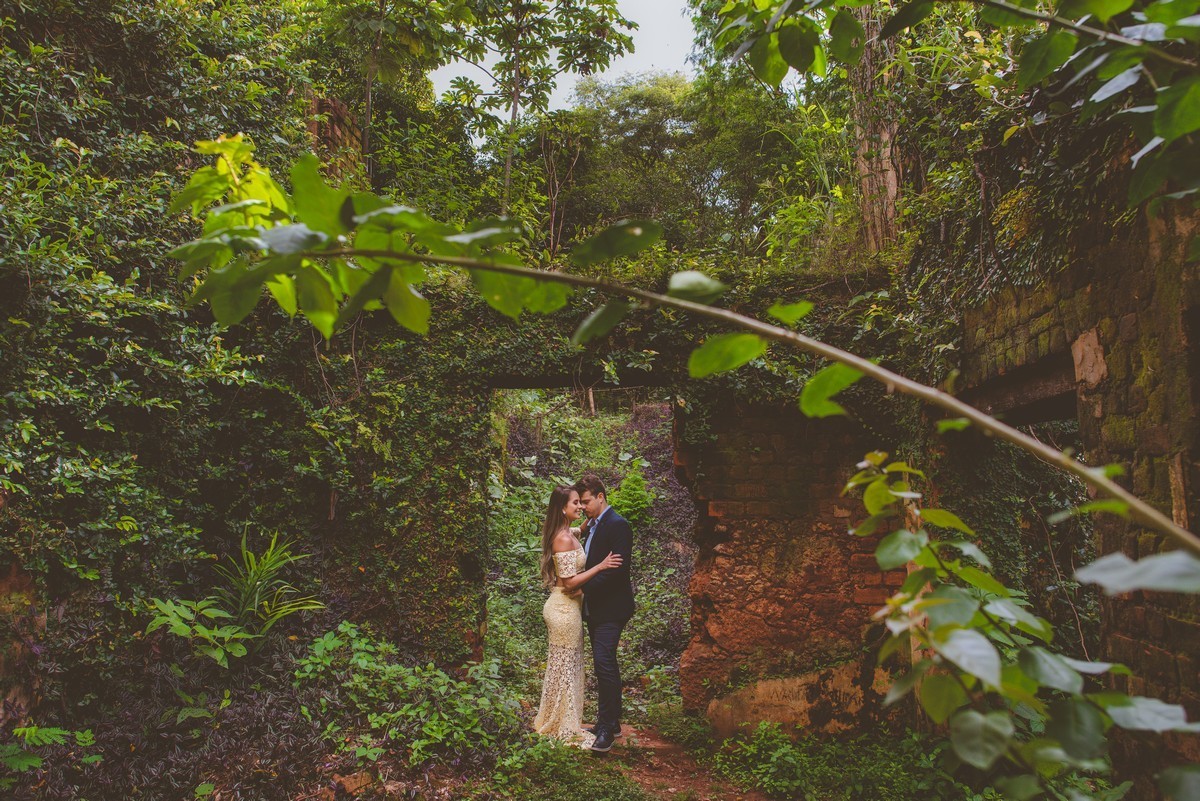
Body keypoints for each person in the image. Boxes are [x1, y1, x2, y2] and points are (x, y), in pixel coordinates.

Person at [532, 485, 622, 749]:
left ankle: (558, 718)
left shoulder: (568, 532)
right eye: (575, 503)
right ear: (562, 508)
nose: (580, 507)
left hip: (569, 608)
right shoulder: (562, 539)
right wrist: (601, 566)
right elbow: (570, 583)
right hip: (563, 608)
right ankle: (560, 723)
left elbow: (580, 529)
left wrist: (593, 514)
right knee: (564, 667)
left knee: (566, 666)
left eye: (582, 503)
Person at [574, 474, 635, 753]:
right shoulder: (592, 526)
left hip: (611, 606)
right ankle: (609, 722)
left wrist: (584, 589)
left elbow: (617, 570)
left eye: (586, 501)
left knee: (603, 661)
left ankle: (607, 728)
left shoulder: (618, 525)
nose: (583, 506)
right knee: (605, 662)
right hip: (595, 609)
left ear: (601, 497)